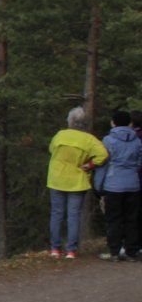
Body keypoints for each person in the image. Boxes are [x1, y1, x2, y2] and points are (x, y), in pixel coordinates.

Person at [47, 106, 108, 259]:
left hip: (56, 177)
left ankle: (55, 249)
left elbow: (51, 149)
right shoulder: (89, 140)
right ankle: (71, 250)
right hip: (77, 179)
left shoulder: (60, 135)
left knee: (56, 214)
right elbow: (103, 154)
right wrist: (90, 165)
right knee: (73, 215)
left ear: (70, 121)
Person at [95, 109, 142, 261]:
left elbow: (103, 164)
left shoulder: (108, 140)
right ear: (129, 123)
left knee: (114, 219)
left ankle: (114, 251)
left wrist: (98, 185)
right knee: (131, 219)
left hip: (113, 183)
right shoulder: (136, 140)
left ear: (113, 122)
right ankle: (131, 252)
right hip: (133, 183)